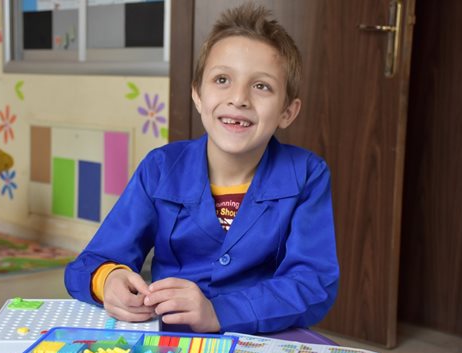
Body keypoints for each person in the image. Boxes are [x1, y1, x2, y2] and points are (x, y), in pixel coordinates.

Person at [65, 3, 339, 334]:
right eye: (222, 79)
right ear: (197, 94)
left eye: (261, 86)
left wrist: (219, 312)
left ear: (287, 112)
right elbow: (88, 264)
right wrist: (108, 280)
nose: (239, 98)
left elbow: (313, 283)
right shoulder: (160, 168)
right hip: (168, 342)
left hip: (261, 337)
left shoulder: (307, 174)